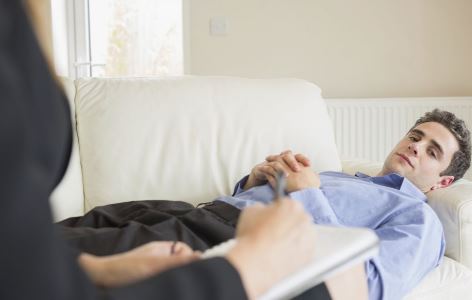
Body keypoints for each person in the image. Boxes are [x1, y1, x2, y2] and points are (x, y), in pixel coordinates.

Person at [0, 1, 331, 299]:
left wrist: (95, 269)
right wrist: (251, 201)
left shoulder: (381, 197)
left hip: (223, 227)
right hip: (206, 213)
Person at [218, 109, 471, 300]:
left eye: (432, 152)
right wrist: (254, 183)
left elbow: (366, 286)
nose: (416, 146)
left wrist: (307, 193)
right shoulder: (336, 176)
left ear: (443, 181)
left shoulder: (420, 218)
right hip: (202, 213)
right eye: (415, 137)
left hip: (233, 240)